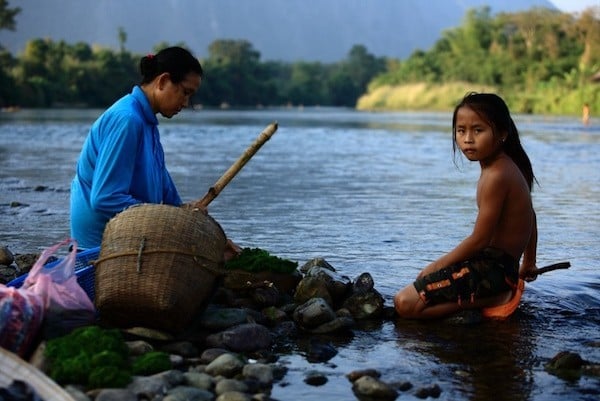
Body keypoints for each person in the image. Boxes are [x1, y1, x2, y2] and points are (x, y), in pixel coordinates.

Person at [70, 46, 240, 259]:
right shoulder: (127, 120)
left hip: (130, 237)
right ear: (162, 81)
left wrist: (189, 218)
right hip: (100, 250)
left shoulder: (147, 123)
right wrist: (168, 218)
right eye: (185, 92)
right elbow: (105, 198)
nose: (186, 103)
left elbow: (166, 193)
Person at [394, 92, 538, 319]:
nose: (468, 139)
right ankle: (481, 300)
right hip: (497, 268)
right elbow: (531, 214)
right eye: (461, 131)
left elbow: (479, 240)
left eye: (478, 130)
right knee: (411, 298)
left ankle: (494, 298)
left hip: (494, 272)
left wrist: (435, 267)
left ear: (501, 133)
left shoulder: (497, 175)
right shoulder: (502, 166)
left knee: (404, 303)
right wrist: (529, 261)